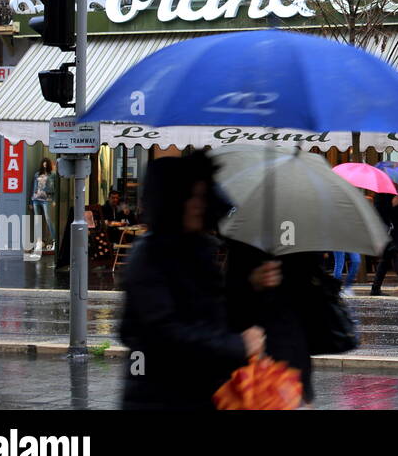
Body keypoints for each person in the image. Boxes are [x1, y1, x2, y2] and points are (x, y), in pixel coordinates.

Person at [118, 153, 263, 410]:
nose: (198, 205)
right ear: (173, 201)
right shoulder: (150, 256)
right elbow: (164, 333)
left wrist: (250, 284)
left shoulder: (198, 250)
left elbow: (214, 314)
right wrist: (236, 345)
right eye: (191, 197)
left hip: (200, 392)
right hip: (160, 398)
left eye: (201, 196)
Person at [224, 243, 327, 406]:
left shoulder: (305, 242)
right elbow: (229, 294)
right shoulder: (245, 243)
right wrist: (252, 281)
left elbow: (316, 291)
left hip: (293, 348)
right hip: (260, 350)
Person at [30, 160, 56, 252]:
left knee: (48, 220)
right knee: (37, 221)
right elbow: (34, 187)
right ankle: (39, 241)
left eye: (46, 164)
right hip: (36, 199)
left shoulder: (52, 174)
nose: (44, 165)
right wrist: (31, 201)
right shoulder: (37, 174)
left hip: (46, 199)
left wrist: (54, 200)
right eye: (43, 164)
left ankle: (54, 240)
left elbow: (55, 188)